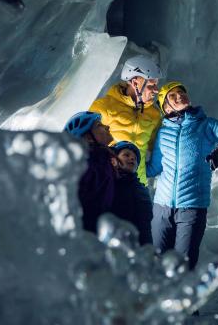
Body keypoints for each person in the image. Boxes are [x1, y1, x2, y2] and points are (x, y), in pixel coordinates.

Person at [147, 81, 218, 269]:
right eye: (173, 95)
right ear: (165, 106)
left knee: (182, 266)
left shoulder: (206, 125)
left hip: (192, 208)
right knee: (156, 262)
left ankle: (180, 299)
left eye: (182, 92)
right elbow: (153, 168)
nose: (180, 96)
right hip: (161, 208)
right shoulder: (162, 133)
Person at [89, 52, 163, 186]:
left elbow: (157, 147)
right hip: (109, 182)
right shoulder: (104, 107)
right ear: (135, 83)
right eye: (151, 85)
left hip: (138, 184)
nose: (156, 90)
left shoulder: (154, 114)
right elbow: (86, 144)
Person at [64, 111, 115, 233]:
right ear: (88, 138)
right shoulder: (86, 168)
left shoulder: (102, 160)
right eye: (99, 125)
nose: (106, 126)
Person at [110, 141, 153, 245]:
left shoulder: (141, 188)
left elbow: (145, 225)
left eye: (135, 158)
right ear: (114, 159)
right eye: (126, 155)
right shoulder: (109, 183)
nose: (132, 158)